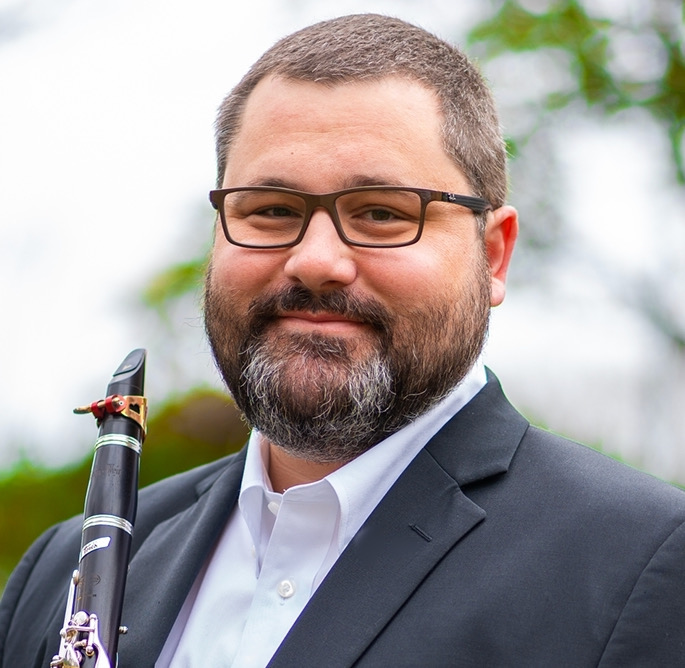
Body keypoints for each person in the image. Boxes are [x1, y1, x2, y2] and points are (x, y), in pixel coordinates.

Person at [2, 13, 685, 667]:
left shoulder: (645, 565)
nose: (315, 260)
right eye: (270, 209)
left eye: (382, 213)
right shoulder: (57, 572)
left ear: (494, 256)